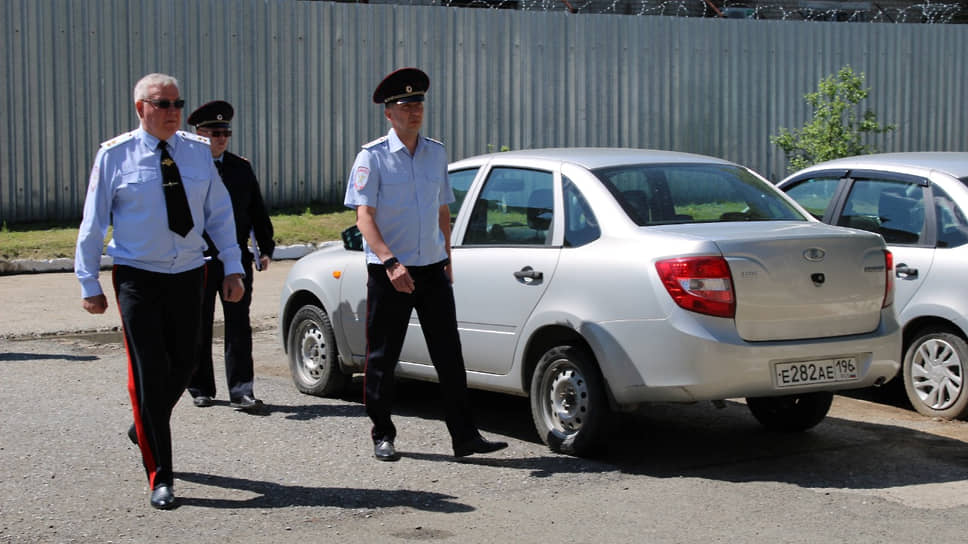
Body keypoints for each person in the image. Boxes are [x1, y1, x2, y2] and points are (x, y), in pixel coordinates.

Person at [75, 73, 245, 510]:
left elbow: (218, 212)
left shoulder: (196, 151)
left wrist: (232, 265)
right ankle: (161, 476)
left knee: (187, 365)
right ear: (140, 108)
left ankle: (143, 425)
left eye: (176, 103)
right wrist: (88, 282)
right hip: (138, 276)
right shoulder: (115, 155)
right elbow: (93, 222)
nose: (172, 111)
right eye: (161, 104)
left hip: (190, 272)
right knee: (149, 374)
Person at [343, 67, 508, 462]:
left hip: (431, 268)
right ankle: (383, 433)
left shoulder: (436, 152)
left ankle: (465, 437)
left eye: (419, 103)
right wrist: (390, 262)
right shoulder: (373, 157)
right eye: (405, 104)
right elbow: (363, 217)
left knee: (449, 355)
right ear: (389, 113)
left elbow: (442, 211)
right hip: (390, 270)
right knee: (384, 355)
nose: (415, 110)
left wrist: (448, 259)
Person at [186, 100, 275, 413]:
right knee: (199, 322)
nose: (220, 138)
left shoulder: (240, 167)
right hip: (197, 258)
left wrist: (266, 247)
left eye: (225, 132)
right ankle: (200, 386)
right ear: (199, 134)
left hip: (234, 258)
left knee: (238, 323)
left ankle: (241, 389)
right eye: (214, 132)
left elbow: (256, 211)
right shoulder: (187, 167)